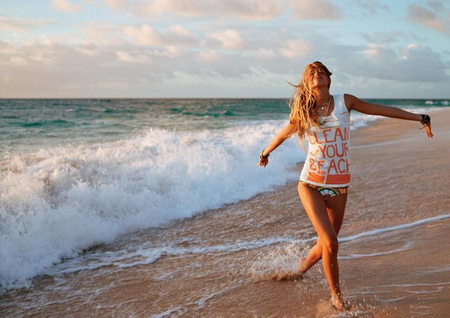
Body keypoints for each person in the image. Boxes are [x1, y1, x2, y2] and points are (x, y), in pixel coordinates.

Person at [257, 61, 433, 311]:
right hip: (311, 183)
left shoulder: (344, 102)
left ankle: (299, 269)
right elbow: (282, 134)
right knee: (331, 242)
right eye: (311, 73)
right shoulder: (305, 111)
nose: (316, 75)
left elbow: (379, 110)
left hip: (339, 186)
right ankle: (336, 297)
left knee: (326, 244)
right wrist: (265, 153)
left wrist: (419, 117)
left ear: (329, 78)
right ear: (308, 83)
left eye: (320, 71)